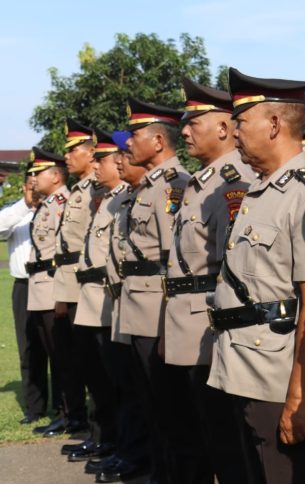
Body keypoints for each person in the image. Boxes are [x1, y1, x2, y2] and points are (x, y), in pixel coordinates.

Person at [206, 67, 305, 484]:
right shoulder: (260, 190)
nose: (234, 132)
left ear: (275, 124)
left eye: (241, 122)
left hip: (278, 376)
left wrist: (298, 396)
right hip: (242, 364)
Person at [161, 77, 256, 483]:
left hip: (210, 323)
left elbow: (233, 267)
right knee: (194, 430)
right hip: (186, 320)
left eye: (193, 122)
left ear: (222, 128)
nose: (183, 131)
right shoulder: (200, 182)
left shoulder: (233, 184)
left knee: (225, 437)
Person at [120, 97, 190, 483]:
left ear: (159, 141)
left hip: (156, 312)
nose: (128, 144)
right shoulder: (148, 187)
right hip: (138, 307)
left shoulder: (171, 187)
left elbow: (172, 261)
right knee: (151, 406)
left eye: (135, 136)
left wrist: (168, 323)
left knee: (170, 410)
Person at [62, 128, 124, 464]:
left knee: (113, 379)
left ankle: (115, 442)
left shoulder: (117, 195)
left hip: (107, 294)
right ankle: (103, 438)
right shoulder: (101, 194)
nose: (98, 165)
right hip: (90, 291)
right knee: (96, 374)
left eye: (102, 158)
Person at [94, 131, 152, 483]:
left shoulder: (166, 192)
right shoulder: (126, 199)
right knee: (130, 390)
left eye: (122, 156)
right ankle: (134, 453)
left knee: (147, 396)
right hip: (125, 302)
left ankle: (142, 458)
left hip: (148, 308)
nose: (118, 160)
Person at [26, 148, 71, 436]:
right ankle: (65, 411)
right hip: (40, 285)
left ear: (55, 176)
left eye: (38, 173)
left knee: (63, 357)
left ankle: (70, 413)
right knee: (55, 354)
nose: (32, 179)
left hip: (53, 286)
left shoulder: (62, 203)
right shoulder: (46, 204)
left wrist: (61, 296)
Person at [0, 170, 46, 425]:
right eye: (31, 184)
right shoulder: (16, 214)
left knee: (58, 347)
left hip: (51, 285)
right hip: (24, 285)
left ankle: (66, 408)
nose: (36, 188)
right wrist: (26, 204)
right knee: (28, 348)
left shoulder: (56, 207)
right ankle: (34, 406)